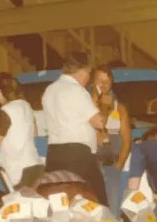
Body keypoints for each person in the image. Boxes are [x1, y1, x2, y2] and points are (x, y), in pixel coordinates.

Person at [41, 52, 108, 206]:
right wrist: (102, 104)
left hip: (54, 155)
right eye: (89, 74)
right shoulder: (77, 91)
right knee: (96, 203)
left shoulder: (49, 90)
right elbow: (99, 123)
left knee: (60, 204)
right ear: (84, 71)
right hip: (77, 158)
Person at [0, 72, 43, 188]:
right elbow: (35, 133)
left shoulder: (7, 110)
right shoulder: (26, 106)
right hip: (34, 164)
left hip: (17, 170)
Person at [91, 66, 132, 217]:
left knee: (113, 211)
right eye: (99, 81)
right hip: (90, 167)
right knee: (92, 212)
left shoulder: (119, 108)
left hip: (111, 167)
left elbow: (127, 141)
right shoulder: (84, 105)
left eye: (107, 81)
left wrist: (119, 164)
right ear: (92, 83)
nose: (103, 85)